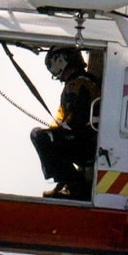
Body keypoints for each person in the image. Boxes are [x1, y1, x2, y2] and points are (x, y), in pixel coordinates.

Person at [31, 46, 99, 199]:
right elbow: (62, 118)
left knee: (38, 136)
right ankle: (67, 183)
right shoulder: (83, 82)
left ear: (60, 61)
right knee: (48, 136)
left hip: (84, 141)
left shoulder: (78, 84)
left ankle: (75, 184)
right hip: (87, 140)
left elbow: (76, 120)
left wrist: (53, 133)